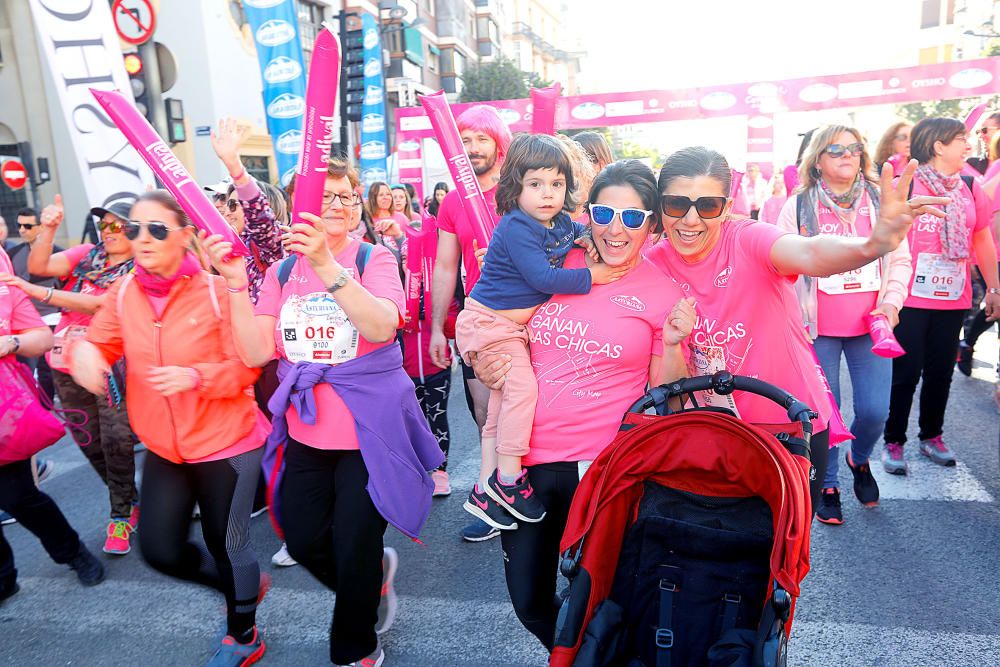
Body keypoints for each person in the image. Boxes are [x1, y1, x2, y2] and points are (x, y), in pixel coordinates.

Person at [203, 157, 442, 667]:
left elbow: (381, 326)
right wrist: (231, 283)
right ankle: (370, 585)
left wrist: (329, 265)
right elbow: (254, 353)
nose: (336, 205)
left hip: (370, 432)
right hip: (307, 430)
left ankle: (357, 646)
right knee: (305, 538)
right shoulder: (282, 271)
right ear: (298, 207)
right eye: (324, 196)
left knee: (355, 544)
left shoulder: (373, 258)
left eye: (346, 196)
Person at [645, 146, 948, 508]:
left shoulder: (747, 239)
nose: (691, 220)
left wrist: (874, 244)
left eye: (707, 206)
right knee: (721, 553)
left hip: (788, 426)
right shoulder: (652, 265)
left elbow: (811, 252)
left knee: (786, 552)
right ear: (660, 205)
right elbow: (665, 388)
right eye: (677, 204)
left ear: (726, 207)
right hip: (709, 435)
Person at [470, 159, 694, 648]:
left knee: (595, 601)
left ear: (652, 225)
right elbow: (498, 321)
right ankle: (584, 657)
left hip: (601, 467)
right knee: (529, 603)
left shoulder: (661, 293)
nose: (617, 229)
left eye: (633, 218)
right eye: (604, 213)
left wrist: (674, 343)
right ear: (586, 214)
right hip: (525, 465)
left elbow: (666, 396)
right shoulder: (555, 265)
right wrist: (482, 360)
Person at [68, 191, 269, 666]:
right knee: (158, 549)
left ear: (184, 236)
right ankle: (239, 589)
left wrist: (195, 377)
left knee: (228, 544)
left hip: (227, 443)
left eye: (156, 229)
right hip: (164, 446)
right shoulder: (122, 294)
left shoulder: (218, 293)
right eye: (133, 228)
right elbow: (100, 343)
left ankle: (243, 634)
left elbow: (248, 369)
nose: (141, 238)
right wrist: (86, 359)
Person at [456, 134, 627, 531]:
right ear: (516, 186)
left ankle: (485, 487)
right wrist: (593, 275)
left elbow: (576, 233)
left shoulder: (559, 222)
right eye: (535, 184)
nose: (547, 194)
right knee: (522, 391)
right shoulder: (516, 226)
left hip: (508, 326)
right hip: (488, 323)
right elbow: (542, 276)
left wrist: (587, 238)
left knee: (501, 404)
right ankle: (510, 480)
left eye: (557, 184)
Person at [777, 125, 913, 525]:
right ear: (817, 158)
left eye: (855, 148)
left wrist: (891, 304)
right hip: (816, 329)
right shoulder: (799, 205)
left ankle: (861, 458)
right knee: (825, 414)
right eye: (836, 149)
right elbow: (782, 265)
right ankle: (831, 482)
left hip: (871, 327)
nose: (847, 155)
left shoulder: (879, 199)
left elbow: (900, 258)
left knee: (874, 411)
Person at [24, 195, 141, 556]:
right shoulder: (87, 255)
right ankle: (128, 498)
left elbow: (103, 304)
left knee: (116, 441)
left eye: (117, 223)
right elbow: (40, 263)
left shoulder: (141, 265)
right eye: (104, 223)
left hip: (112, 366)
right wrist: (49, 229)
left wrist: (42, 294)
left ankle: (120, 514)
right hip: (65, 364)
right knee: (90, 444)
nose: (109, 230)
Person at [882, 117, 1000, 472]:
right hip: (911, 298)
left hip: (954, 298)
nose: (968, 146)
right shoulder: (909, 184)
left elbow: (981, 237)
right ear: (938, 146)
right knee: (905, 373)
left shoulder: (968, 185)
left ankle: (931, 436)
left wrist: (993, 288)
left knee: (940, 372)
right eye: (961, 140)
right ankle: (893, 441)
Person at [1, 246, 105, 604]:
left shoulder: (2, 279)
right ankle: (3, 576)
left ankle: (72, 552)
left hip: (3, 412)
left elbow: (40, 338)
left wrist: (10, 342)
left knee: (17, 497)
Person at [429, 104, 513, 542]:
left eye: (482, 138)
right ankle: (498, 499)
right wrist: (436, 328)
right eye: (465, 140)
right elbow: (446, 266)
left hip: (528, 319)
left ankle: (526, 491)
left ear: (498, 141)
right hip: (477, 323)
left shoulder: (521, 190)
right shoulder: (452, 202)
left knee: (527, 411)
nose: (474, 147)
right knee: (485, 413)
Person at [6, 207, 63, 401]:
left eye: (28, 226)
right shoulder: (11, 253)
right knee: (24, 370)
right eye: (19, 225)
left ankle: (45, 408)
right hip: (21, 325)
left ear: (41, 227)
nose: (22, 230)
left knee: (48, 370)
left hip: (52, 320)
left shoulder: (59, 254)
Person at [366, 181, 409, 258]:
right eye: (381, 195)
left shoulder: (401, 217)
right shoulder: (368, 220)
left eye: (388, 194)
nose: (385, 197)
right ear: (373, 198)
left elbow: (409, 245)